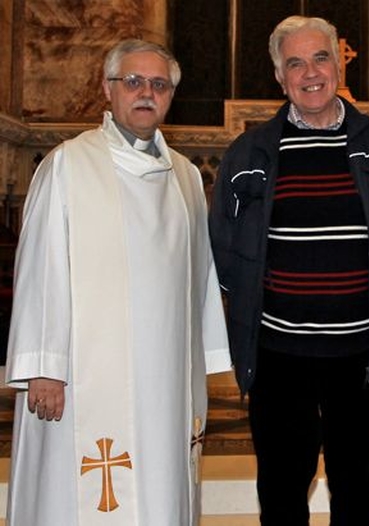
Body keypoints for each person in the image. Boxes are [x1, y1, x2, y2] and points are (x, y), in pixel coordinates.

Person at [4, 39, 231, 526]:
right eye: (133, 81)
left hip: (166, 379)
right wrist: (44, 363)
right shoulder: (69, 164)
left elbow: (200, 281)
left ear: (171, 96)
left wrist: (204, 358)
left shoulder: (187, 178)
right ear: (107, 90)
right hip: (82, 378)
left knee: (159, 490)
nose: (146, 93)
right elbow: (41, 266)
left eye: (159, 84)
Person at [209, 15, 369, 526]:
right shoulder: (250, 152)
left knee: (357, 491)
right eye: (294, 63)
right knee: (280, 492)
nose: (310, 72)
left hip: (360, 357)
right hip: (280, 355)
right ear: (279, 77)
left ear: (340, 63)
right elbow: (225, 245)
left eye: (321, 57)